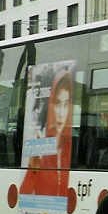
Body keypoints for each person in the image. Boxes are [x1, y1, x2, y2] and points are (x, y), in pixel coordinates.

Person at [21, 69, 73, 197]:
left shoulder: (70, 147)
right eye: (57, 104)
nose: (61, 113)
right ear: (51, 106)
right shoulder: (41, 146)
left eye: (66, 105)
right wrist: (33, 168)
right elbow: (23, 193)